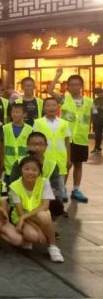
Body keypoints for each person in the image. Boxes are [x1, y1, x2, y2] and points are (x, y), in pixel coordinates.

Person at [48, 70, 94, 203]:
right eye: (72, 84)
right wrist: (57, 76)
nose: (74, 87)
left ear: (81, 86)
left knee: (78, 164)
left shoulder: (89, 101)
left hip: (81, 139)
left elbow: (92, 117)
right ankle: (62, 189)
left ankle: (76, 189)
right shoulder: (64, 99)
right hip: (65, 138)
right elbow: (50, 91)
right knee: (66, 165)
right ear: (68, 86)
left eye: (77, 84)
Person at [10, 156, 64, 263]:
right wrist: (38, 229)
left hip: (37, 215)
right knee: (33, 236)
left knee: (43, 216)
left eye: (34, 170)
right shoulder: (14, 186)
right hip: (23, 218)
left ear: (39, 172)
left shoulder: (44, 182)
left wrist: (25, 217)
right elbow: (20, 213)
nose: (30, 172)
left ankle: (53, 246)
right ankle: (34, 234)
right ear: (21, 170)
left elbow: (45, 206)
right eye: (27, 169)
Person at [9, 132, 64, 218]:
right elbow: (13, 184)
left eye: (40, 144)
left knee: (57, 203)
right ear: (27, 146)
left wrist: (40, 197)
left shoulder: (52, 165)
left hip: (43, 200)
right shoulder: (19, 163)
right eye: (33, 144)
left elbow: (56, 189)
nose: (37, 147)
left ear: (46, 146)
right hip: (23, 201)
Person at [33, 98, 71, 201]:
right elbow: (35, 141)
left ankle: (59, 205)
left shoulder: (64, 123)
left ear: (58, 107)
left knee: (59, 186)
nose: (51, 108)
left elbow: (67, 142)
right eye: (48, 105)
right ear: (44, 108)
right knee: (42, 184)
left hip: (60, 158)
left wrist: (68, 159)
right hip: (44, 158)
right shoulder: (38, 122)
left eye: (54, 105)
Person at [1, 104, 32, 183]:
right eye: (13, 112)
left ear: (24, 114)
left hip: (23, 166)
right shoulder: (4, 128)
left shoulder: (30, 129)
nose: (14, 114)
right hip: (8, 167)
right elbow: (2, 147)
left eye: (17, 112)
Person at [93, 87, 103, 154]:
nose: (99, 94)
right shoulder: (95, 100)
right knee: (97, 135)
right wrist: (93, 121)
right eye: (98, 93)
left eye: (101, 93)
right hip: (98, 120)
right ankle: (97, 148)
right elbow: (94, 111)